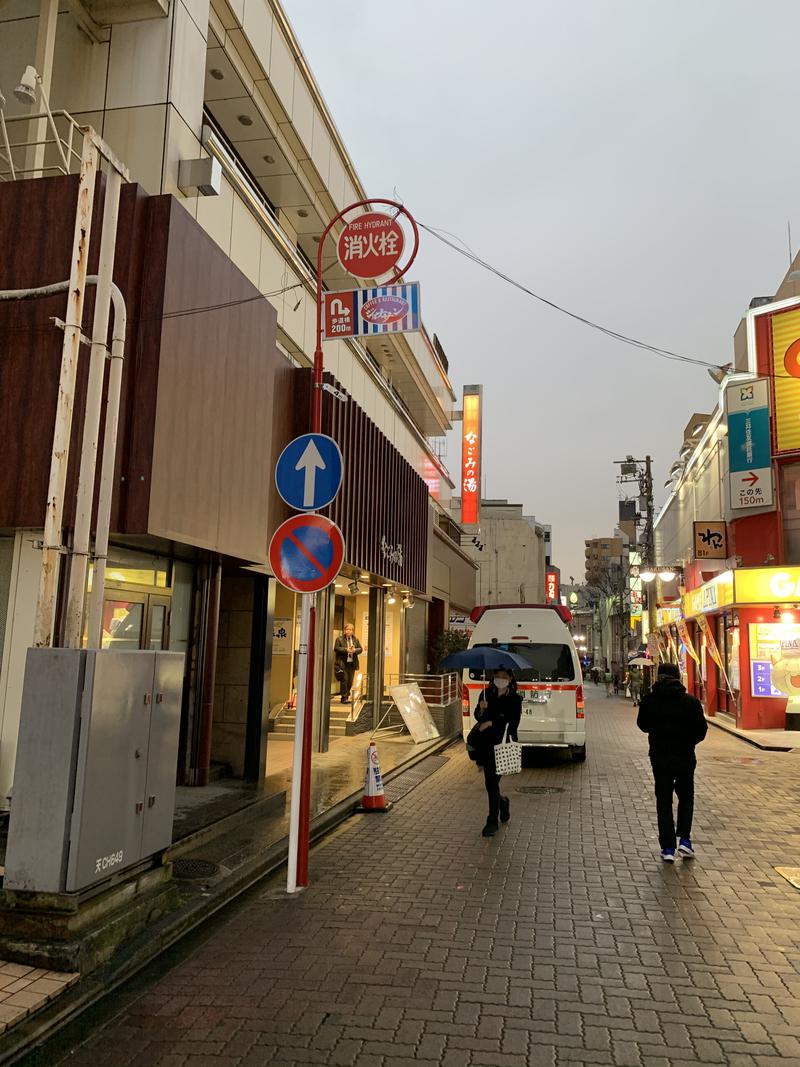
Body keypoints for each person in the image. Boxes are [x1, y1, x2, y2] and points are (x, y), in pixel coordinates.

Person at [637, 662, 707, 862]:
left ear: (659, 678)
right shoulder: (691, 702)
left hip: (660, 758)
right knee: (686, 798)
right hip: (685, 757)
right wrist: (688, 742)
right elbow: (701, 730)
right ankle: (684, 840)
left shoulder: (650, 701)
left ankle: (668, 847)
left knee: (664, 801)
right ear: (678, 677)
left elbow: (642, 725)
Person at [472, 669, 522, 837]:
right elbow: (478, 717)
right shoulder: (486, 693)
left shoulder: (515, 699)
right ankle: (501, 804)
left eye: (504, 676)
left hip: (503, 744)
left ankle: (492, 820)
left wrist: (492, 722)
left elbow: (513, 723)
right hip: (485, 745)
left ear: (510, 678)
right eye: (497, 676)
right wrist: (480, 709)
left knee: (492, 782)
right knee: (490, 783)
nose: (500, 679)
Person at [333, 623, 362, 703]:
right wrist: (346, 650)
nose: (349, 631)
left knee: (350, 681)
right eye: (347, 629)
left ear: (353, 631)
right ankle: (344, 697)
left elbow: (360, 649)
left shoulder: (355, 639)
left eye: (350, 630)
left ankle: (346, 696)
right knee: (344, 680)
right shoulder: (339, 639)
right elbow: (336, 648)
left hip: (352, 663)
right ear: (345, 630)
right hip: (343, 663)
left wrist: (354, 650)